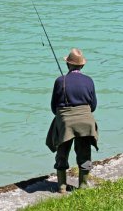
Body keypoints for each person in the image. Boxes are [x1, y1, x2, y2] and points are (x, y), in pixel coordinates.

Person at [46, 48, 98, 193]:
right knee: (84, 153)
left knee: (62, 153)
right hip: (86, 123)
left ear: (68, 65)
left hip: (65, 123)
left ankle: (62, 187)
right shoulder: (89, 80)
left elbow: (53, 108)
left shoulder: (59, 81)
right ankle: (82, 186)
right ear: (82, 66)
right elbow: (93, 106)